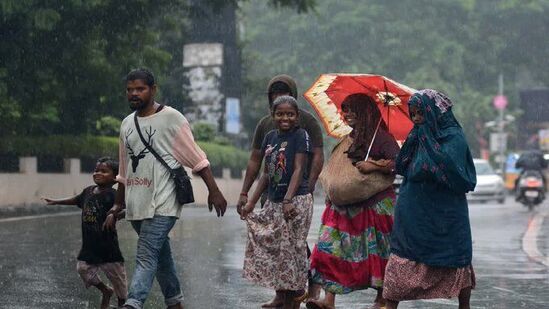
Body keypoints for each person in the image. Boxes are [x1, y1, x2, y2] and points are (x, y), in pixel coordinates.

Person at [104, 68, 227, 309]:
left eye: (140, 89)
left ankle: (133, 303)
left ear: (153, 89)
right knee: (162, 258)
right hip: (137, 203)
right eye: (130, 90)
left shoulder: (173, 118)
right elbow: (123, 169)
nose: (134, 94)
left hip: (163, 203)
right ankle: (175, 302)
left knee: (146, 255)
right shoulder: (127, 124)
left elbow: (197, 158)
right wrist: (119, 204)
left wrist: (214, 190)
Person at [382, 90, 477, 309]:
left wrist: (428, 144)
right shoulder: (416, 135)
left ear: (433, 112)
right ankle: (390, 305)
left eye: (420, 114)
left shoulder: (453, 136)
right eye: (413, 115)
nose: (416, 120)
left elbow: (452, 170)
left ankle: (465, 305)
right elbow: (405, 165)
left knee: (456, 255)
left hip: (446, 210)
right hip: (414, 208)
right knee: (403, 254)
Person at [237, 74, 324, 308]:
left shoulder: (305, 126)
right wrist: (247, 195)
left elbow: (314, 156)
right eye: (275, 96)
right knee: (277, 247)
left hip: (295, 195)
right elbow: (259, 165)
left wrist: (311, 181)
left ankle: (302, 291)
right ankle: (282, 294)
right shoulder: (267, 129)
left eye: (284, 94)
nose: (284, 116)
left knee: (295, 247)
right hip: (273, 195)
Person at [306, 93, 400, 309]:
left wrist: (374, 166)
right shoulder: (349, 139)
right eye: (344, 109)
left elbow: (400, 164)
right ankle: (328, 300)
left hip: (375, 207)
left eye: (352, 109)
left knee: (378, 254)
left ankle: (381, 299)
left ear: (365, 112)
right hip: (341, 209)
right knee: (329, 248)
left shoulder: (383, 139)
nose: (346, 114)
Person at [43, 157, 127, 309]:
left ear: (115, 178)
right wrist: (56, 201)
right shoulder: (88, 191)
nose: (98, 173)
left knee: (120, 285)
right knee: (82, 269)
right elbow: (76, 200)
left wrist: (114, 215)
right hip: (90, 247)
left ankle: (123, 305)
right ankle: (106, 291)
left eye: (104, 171)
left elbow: (127, 210)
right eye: (96, 170)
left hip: (109, 249)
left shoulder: (114, 195)